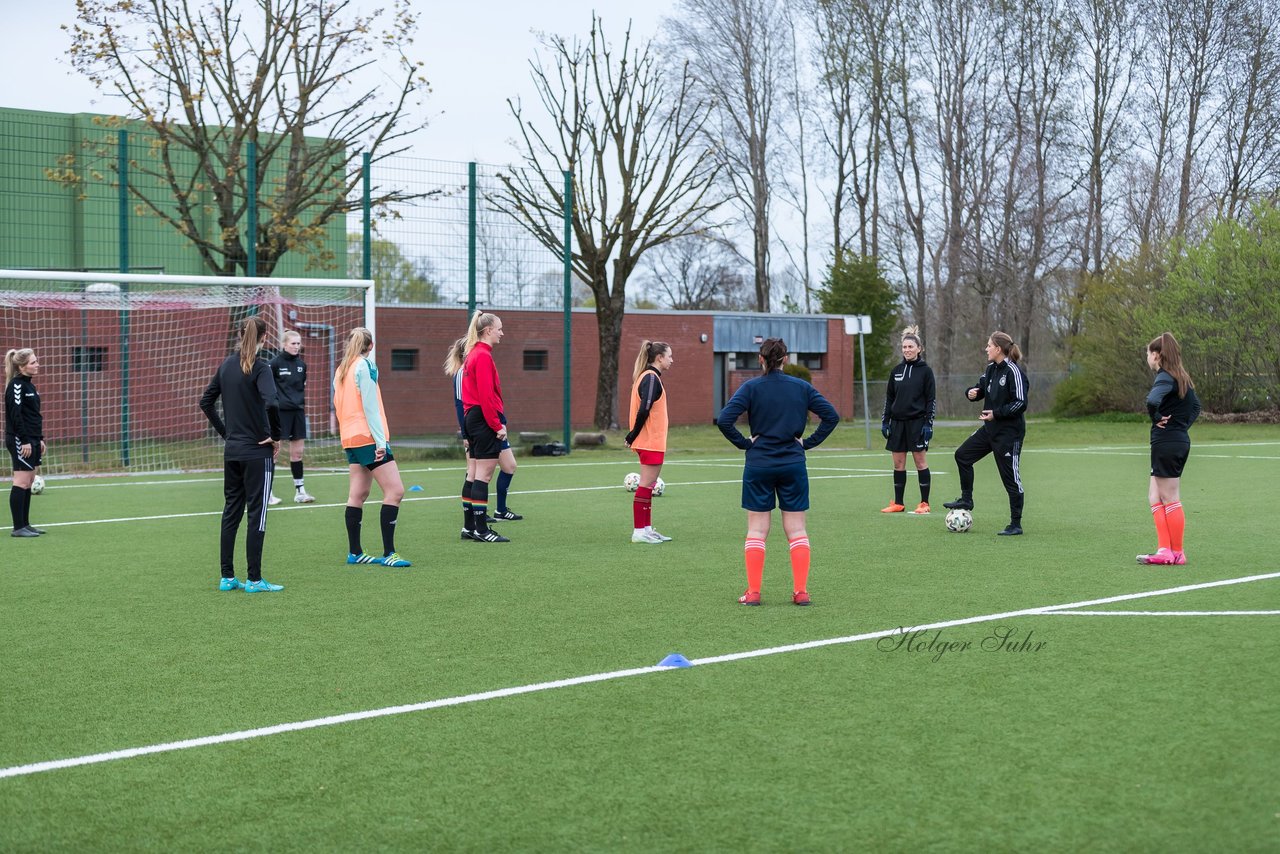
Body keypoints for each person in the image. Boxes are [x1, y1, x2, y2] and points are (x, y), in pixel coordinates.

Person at [717, 337, 840, 606]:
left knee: (757, 530)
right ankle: (801, 592)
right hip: (792, 464)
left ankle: (753, 593)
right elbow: (831, 416)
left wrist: (744, 444)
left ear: (760, 360)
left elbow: (724, 419)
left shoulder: (750, 387)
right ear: (786, 359)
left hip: (759, 464)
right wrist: (807, 443)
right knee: (796, 530)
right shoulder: (801, 387)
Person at [199, 317, 285, 592]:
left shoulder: (226, 365)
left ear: (239, 334)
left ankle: (227, 577)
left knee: (231, 512)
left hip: (233, 451)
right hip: (257, 452)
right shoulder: (261, 368)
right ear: (264, 337)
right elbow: (272, 401)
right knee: (256, 514)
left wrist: (227, 434)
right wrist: (276, 435)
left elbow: (205, 402)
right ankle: (255, 580)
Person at [333, 327, 412, 566]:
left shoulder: (341, 369)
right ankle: (389, 553)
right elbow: (370, 407)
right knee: (395, 491)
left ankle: (355, 553)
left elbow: (338, 405)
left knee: (358, 494)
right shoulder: (365, 366)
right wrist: (380, 441)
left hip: (350, 437)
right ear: (371, 345)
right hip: (368, 437)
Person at [943, 331, 1029, 536]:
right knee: (962, 456)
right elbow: (980, 388)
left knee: (1011, 479)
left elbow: (1020, 403)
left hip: (1009, 434)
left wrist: (996, 414)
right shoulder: (991, 369)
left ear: (998, 349)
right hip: (989, 430)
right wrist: (972, 393)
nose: (986, 348)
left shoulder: (1013, 372)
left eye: (989, 345)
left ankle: (1015, 524)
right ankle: (967, 499)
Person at [1137, 332, 1201, 566]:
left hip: (1167, 442)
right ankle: (1165, 549)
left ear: (1156, 355)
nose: (1147, 357)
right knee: (1154, 496)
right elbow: (1196, 407)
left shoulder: (1165, 377)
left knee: (1170, 497)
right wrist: (1181, 427)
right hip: (1173, 440)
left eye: (1147, 353)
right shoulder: (1181, 377)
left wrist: (1159, 420)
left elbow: (1152, 401)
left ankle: (1177, 552)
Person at [460, 311, 510, 543]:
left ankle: (470, 527)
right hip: (482, 418)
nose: (502, 333)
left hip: (472, 417)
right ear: (488, 330)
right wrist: (497, 425)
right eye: (499, 328)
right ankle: (481, 529)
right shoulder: (482, 356)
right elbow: (486, 396)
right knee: (484, 475)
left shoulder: (473, 354)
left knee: (475, 473)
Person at [879, 325, 937, 515]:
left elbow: (931, 400)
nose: (907, 350)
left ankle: (924, 503)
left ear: (919, 349)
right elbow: (889, 398)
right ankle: (898, 503)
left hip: (917, 423)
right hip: (897, 424)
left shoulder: (926, 371)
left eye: (910, 347)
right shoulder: (896, 370)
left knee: (920, 462)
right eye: (904, 347)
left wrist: (928, 424)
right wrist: (885, 421)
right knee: (898, 464)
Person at [625, 340, 675, 544]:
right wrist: (632, 434)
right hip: (649, 441)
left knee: (649, 485)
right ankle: (639, 531)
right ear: (659, 357)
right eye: (670, 356)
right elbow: (644, 409)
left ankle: (646, 529)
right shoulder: (651, 378)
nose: (672, 360)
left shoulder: (649, 377)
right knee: (646, 486)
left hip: (652, 441)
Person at [268, 330, 316, 505]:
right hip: (279, 414)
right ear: (284, 344)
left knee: (297, 454)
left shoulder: (302, 365)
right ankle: (267, 492)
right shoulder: (273, 364)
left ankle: (300, 492)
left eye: (298, 343)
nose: (296, 346)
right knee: (273, 453)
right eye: (293, 343)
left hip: (297, 413)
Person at [5, 348, 45, 538]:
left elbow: (33, 416)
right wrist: (25, 440)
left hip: (33, 439)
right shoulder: (16, 386)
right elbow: (16, 415)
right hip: (21, 439)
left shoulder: (31, 386)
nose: (37, 365)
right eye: (33, 362)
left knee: (29, 482)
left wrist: (40, 439)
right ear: (21, 366)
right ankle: (17, 527)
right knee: (21, 482)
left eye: (36, 361)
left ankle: (26, 524)